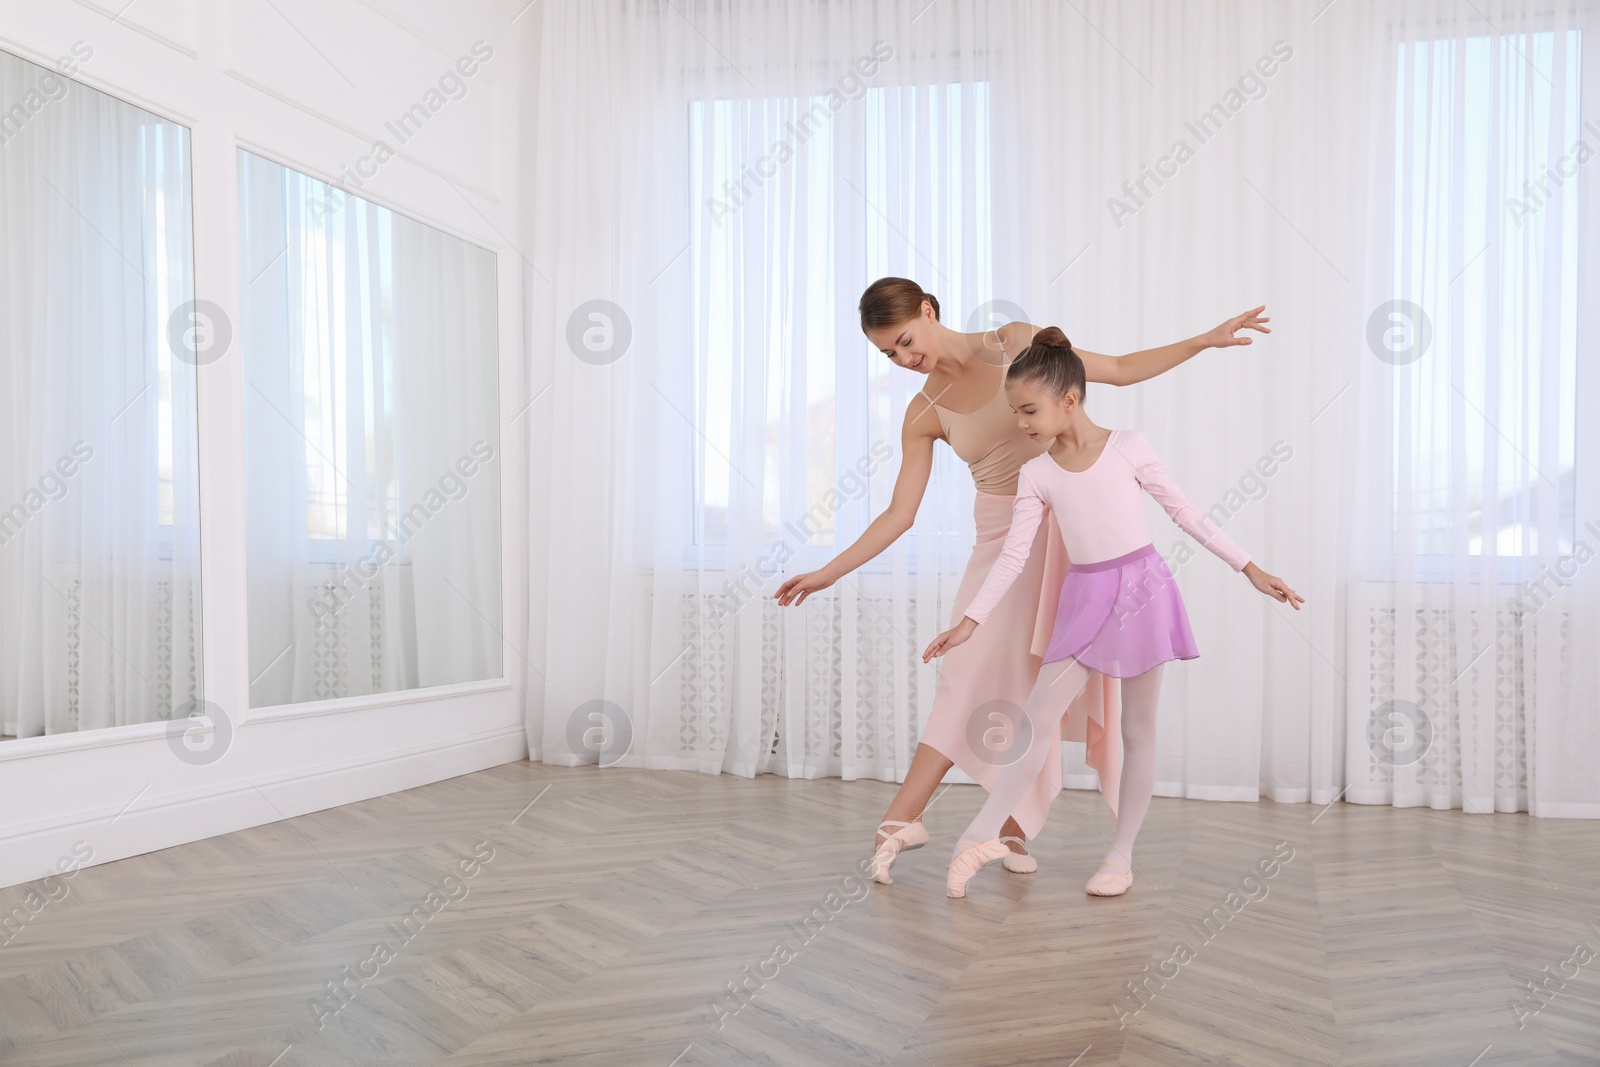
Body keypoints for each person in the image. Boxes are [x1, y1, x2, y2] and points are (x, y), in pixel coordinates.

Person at [774, 278, 1272, 884]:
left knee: (1037, 687)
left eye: (904, 341)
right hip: (1003, 541)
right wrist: (828, 572)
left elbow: (1114, 368)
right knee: (967, 676)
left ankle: (1009, 828)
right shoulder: (923, 411)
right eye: (888, 355)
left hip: (1076, 538)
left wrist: (1206, 340)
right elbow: (900, 515)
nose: (904, 360)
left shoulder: (1015, 344)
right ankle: (905, 817)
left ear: (928, 312)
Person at [927, 327, 1302, 899]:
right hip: (1084, 598)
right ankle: (979, 837)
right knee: (1035, 721)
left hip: (1144, 591)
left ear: (1069, 400)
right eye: (1015, 412)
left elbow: (1187, 514)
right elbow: (1011, 558)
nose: (1022, 424)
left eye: (1029, 410)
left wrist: (1248, 567)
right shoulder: (1038, 473)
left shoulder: (1129, 445)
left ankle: (1120, 856)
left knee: (1138, 729)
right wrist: (969, 623)